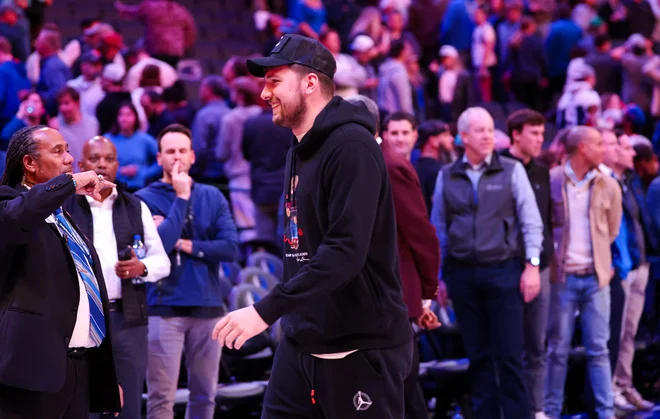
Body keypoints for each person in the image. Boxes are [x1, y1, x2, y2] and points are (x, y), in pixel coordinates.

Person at [213, 34, 414, 418]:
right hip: (302, 339)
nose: (264, 94)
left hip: (359, 343)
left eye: (274, 81)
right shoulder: (298, 148)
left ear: (309, 83)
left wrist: (263, 311)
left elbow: (344, 252)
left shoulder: (353, 146)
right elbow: (299, 249)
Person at [0, 126, 122, 417]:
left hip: (77, 367)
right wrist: (70, 182)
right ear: (29, 163)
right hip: (31, 371)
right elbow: (21, 214)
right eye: (58, 152)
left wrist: (105, 378)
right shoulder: (9, 202)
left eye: (67, 150)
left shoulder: (63, 216)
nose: (69, 159)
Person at [431, 107, 544, 419]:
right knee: (478, 357)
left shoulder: (511, 170)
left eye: (491, 130)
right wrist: (439, 276)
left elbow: (531, 222)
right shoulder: (447, 175)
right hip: (462, 274)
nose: (488, 136)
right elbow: (439, 227)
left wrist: (532, 265)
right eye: (480, 130)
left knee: (510, 356)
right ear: (463, 136)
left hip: (504, 270)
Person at [135, 124, 238, 419]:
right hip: (163, 308)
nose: (177, 157)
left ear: (192, 156)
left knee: (205, 396)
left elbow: (230, 248)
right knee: (160, 398)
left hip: (209, 309)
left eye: (182, 151)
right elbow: (158, 248)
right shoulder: (143, 198)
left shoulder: (212, 197)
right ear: (159, 159)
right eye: (170, 151)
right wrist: (181, 198)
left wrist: (182, 242)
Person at [63, 136, 171, 419]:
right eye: (95, 158)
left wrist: (142, 267)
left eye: (109, 159)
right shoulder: (64, 207)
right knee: (81, 406)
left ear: (118, 165)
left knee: (128, 407)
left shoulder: (135, 206)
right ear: (81, 164)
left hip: (127, 318)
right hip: (80, 320)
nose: (102, 164)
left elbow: (162, 261)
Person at [545, 126, 621, 419]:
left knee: (598, 350)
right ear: (583, 149)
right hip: (562, 278)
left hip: (595, 278)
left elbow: (612, 229)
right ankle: (550, 412)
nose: (604, 149)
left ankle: (606, 413)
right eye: (599, 143)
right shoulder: (553, 181)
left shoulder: (608, 184)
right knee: (557, 350)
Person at [501, 109, 553, 419]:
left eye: (542, 134)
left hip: (540, 268)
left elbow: (545, 221)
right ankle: (513, 409)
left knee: (537, 345)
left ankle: (537, 409)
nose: (539, 140)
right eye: (533, 134)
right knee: (509, 346)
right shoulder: (500, 167)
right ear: (516, 134)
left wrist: (543, 262)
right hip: (507, 267)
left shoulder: (543, 171)